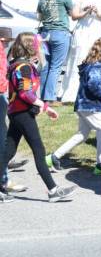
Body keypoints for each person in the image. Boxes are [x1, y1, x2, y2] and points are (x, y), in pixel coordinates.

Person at [2, 33, 77, 201]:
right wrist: (45, 106)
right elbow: (25, 93)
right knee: (39, 150)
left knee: (8, 151)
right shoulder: (24, 67)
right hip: (22, 113)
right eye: (39, 44)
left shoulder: (17, 64)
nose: (41, 48)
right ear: (31, 46)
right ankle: (53, 190)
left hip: (16, 112)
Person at [49, 35, 101, 175]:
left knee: (82, 135)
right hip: (90, 106)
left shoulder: (88, 64)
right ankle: (100, 165)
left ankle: (53, 157)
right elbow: (94, 86)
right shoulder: (96, 66)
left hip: (82, 104)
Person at [37, 0, 87, 103]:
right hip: (59, 33)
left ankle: (42, 96)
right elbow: (74, 15)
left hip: (44, 34)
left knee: (45, 65)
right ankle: (50, 97)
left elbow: (39, 16)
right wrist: (86, 11)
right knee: (56, 66)